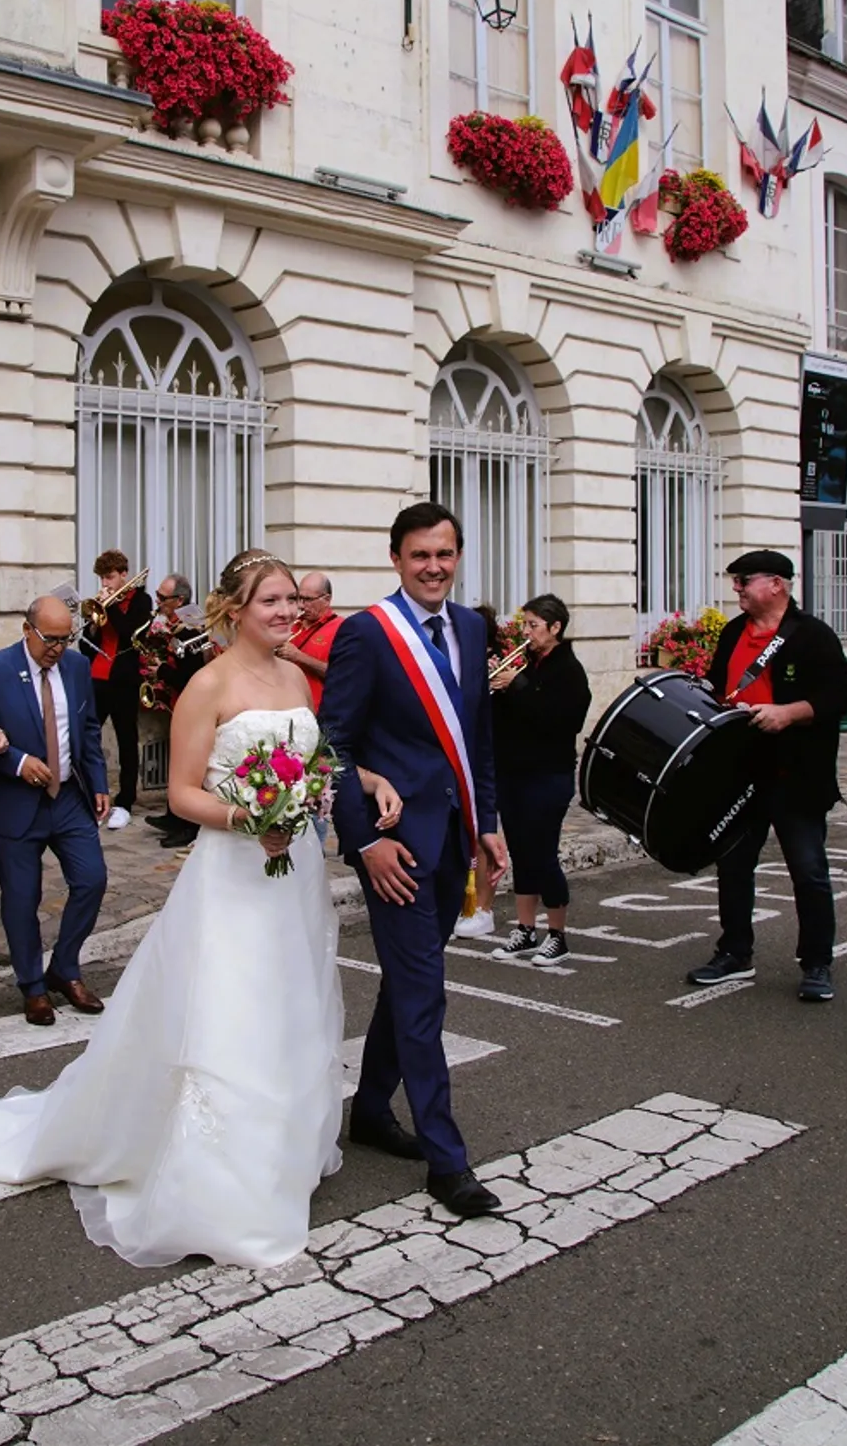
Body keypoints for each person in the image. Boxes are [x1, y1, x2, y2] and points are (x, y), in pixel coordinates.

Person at [0, 550, 402, 1271]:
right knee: (233, 1011)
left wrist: (365, 779)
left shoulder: (293, 676)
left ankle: (281, 1148)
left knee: (292, 1002)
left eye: (292, 600)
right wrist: (249, 819)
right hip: (235, 875)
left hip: (294, 872)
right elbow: (183, 794)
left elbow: (318, 757)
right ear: (235, 610)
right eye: (271, 601)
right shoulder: (208, 684)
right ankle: (222, 1175)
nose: (287, 612)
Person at [319, 502, 509, 1220]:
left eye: (445, 554)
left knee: (407, 986)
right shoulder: (367, 633)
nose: (434, 567)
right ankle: (447, 1161)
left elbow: (477, 739)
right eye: (420, 555)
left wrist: (486, 824)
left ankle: (371, 1109)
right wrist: (365, 842)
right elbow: (332, 747)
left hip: (453, 840)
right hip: (394, 848)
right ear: (396, 558)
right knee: (425, 994)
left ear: (458, 556)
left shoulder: (471, 628)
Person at [685, 550, 847, 1003]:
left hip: (795, 774)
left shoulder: (812, 635)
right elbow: (718, 687)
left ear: (776, 584)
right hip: (742, 772)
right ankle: (734, 952)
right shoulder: (734, 632)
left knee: (808, 870)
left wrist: (788, 713)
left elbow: (836, 698)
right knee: (734, 866)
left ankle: (816, 963)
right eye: (735, 580)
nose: (736, 588)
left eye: (744, 580)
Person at [0, 596, 110, 1026]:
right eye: (50, 639)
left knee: (92, 879)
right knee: (22, 898)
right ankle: (32, 986)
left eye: (66, 639)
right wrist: (16, 761)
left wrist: (99, 783)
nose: (58, 648)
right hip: (16, 801)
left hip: (68, 797)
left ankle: (64, 967)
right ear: (27, 629)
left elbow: (88, 728)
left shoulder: (76, 667)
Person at [462, 594, 593, 962]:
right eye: (525, 624)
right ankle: (525, 929)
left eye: (533, 625)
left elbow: (563, 720)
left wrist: (516, 686)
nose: (526, 632)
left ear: (555, 628)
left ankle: (557, 934)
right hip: (515, 773)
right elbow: (510, 717)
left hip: (548, 776)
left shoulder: (568, 670)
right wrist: (496, 689)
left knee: (542, 853)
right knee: (520, 851)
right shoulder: (529, 665)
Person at [81, 549, 152, 830]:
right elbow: (85, 646)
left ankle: (125, 801)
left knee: (126, 740)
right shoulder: (102, 604)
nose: (105, 584)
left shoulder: (142, 601)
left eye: (109, 577)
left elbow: (130, 633)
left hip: (124, 680)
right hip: (97, 677)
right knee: (86, 737)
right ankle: (88, 793)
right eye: (102, 578)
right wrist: (93, 626)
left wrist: (107, 608)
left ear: (124, 575)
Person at [139, 573, 209, 850]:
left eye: (162, 597)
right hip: (179, 703)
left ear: (179, 600)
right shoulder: (178, 626)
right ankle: (173, 815)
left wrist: (162, 671)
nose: (157, 601)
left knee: (188, 767)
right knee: (177, 762)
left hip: (192, 705)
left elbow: (191, 676)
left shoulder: (191, 630)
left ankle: (187, 826)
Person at [277, 573, 344, 715]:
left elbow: (342, 675)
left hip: (320, 713)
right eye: (299, 598)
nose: (301, 605)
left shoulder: (342, 628)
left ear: (326, 599)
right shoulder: (292, 624)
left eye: (308, 600)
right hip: (286, 708)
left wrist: (299, 657)